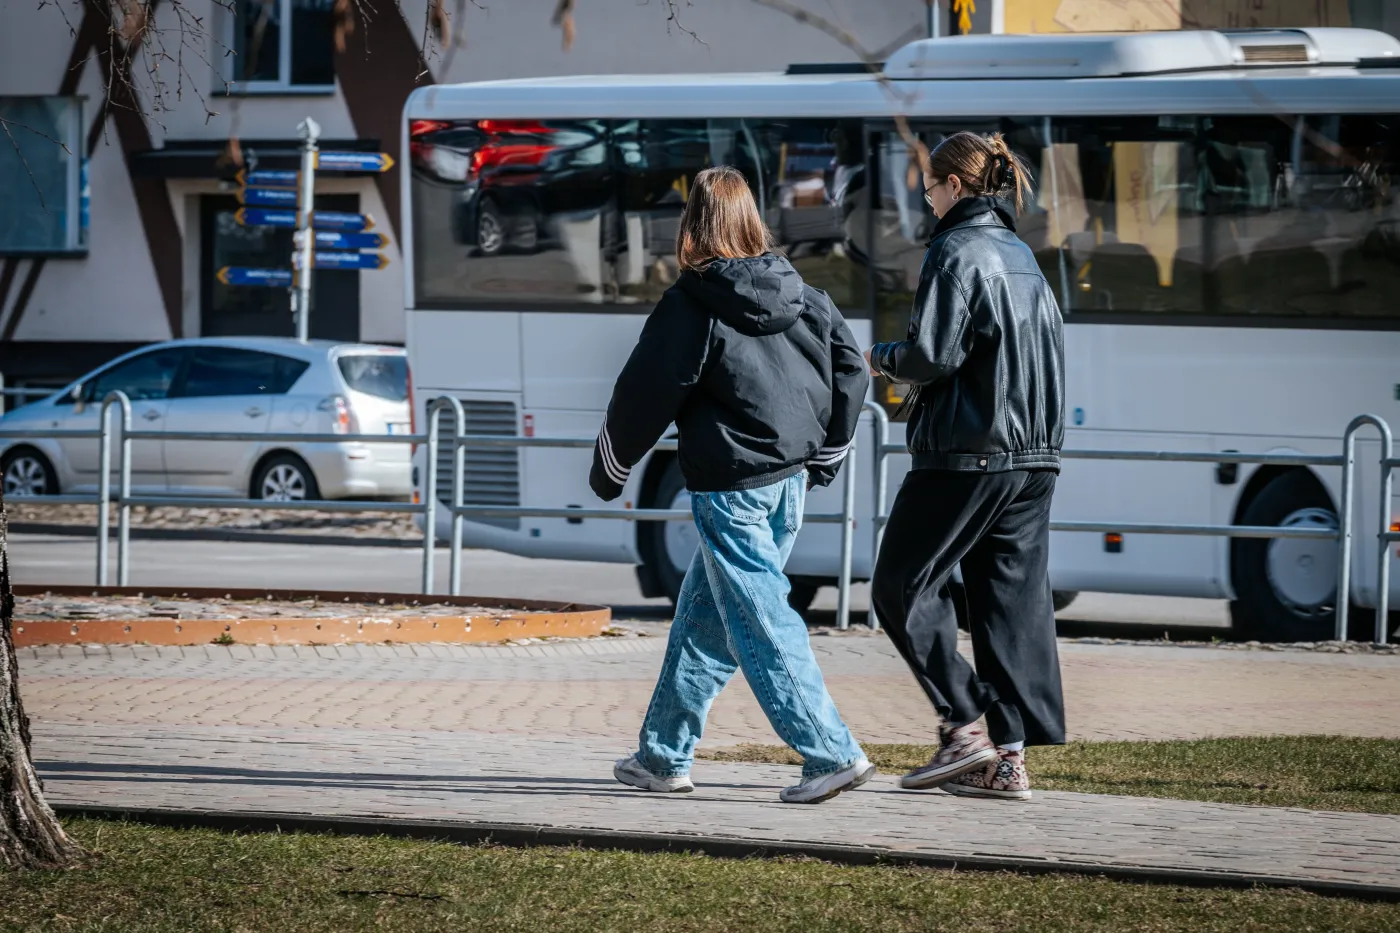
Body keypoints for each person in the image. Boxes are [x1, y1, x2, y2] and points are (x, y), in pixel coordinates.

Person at [590, 165, 873, 804]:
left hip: (731, 487)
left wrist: (611, 466)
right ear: (752, 221)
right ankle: (662, 757)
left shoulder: (691, 303)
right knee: (706, 620)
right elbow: (851, 369)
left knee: (761, 618)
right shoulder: (803, 292)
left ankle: (831, 753)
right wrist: (830, 452)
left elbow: (644, 389)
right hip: (789, 482)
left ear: (693, 226)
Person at [866, 132, 1067, 801]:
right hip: (1033, 459)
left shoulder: (957, 250)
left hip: (968, 452)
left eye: (928, 184)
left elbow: (934, 355)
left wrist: (882, 357)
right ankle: (1007, 761)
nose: (924, 197)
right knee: (1008, 607)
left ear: (954, 185)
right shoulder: (1021, 254)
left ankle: (963, 729)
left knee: (899, 582)